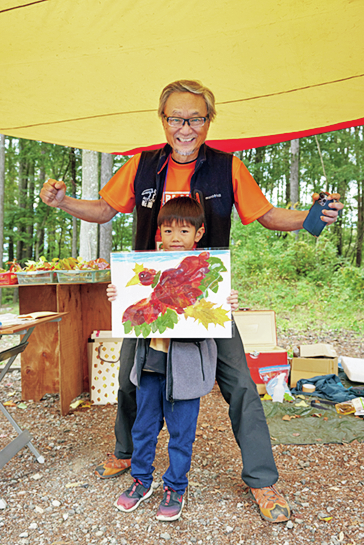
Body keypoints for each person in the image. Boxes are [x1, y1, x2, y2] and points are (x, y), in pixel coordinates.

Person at [40, 79, 344, 523]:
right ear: (163, 120)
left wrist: (311, 219)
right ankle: (127, 455)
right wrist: (65, 202)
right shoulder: (142, 166)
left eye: (196, 118)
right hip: (149, 304)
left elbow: (267, 215)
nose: (185, 128)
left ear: (208, 121)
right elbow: (104, 209)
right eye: (176, 118)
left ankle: (262, 481)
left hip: (204, 303)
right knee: (129, 380)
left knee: (240, 385)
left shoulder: (227, 167)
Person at [107, 196, 238, 521]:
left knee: (181, 434)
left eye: (183, 230)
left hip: (186, 371)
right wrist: (118, 294)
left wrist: (227, 301)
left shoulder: (208, 271)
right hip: (149, 366)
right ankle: (141, 480)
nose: (175, 237)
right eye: (167, 230)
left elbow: (209, 317)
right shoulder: (145, 269)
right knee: (143, 428)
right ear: (158, 234)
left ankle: (176, 486)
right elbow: (133, 302)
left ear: (199, 233)